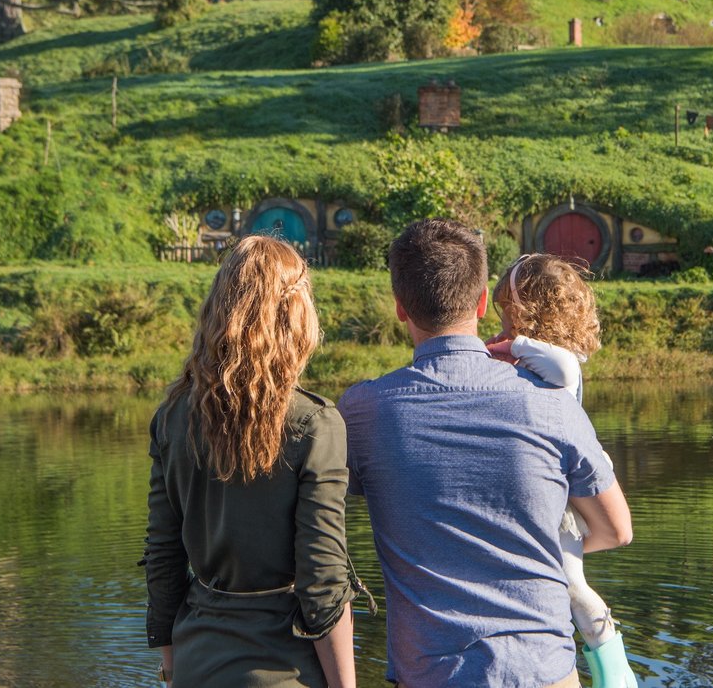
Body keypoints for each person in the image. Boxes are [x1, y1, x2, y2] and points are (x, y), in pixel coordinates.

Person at [340, 219, 633, 688]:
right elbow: (616, 530)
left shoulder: (361, 412)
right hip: (543, 670)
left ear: (400, 307)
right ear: (480, 303)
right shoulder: (550, 401)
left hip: (431, 674)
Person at [144, 236, 358, 688]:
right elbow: (322, 582)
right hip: (286, 669)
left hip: (197, 663)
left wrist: (171, 667)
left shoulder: (172, 417)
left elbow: (164, 557)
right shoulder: (316, 424)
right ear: (297, 316)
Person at [487, 253, 639, 688]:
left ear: (529, 309)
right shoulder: (540, 358)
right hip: (548, 485)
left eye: (506, 309)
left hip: (564, 491)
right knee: (563, 580)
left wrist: (506, 347)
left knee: (573, 587)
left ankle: (617, 675)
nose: (502, 321)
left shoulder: (559, 360)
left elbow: (564, 370)